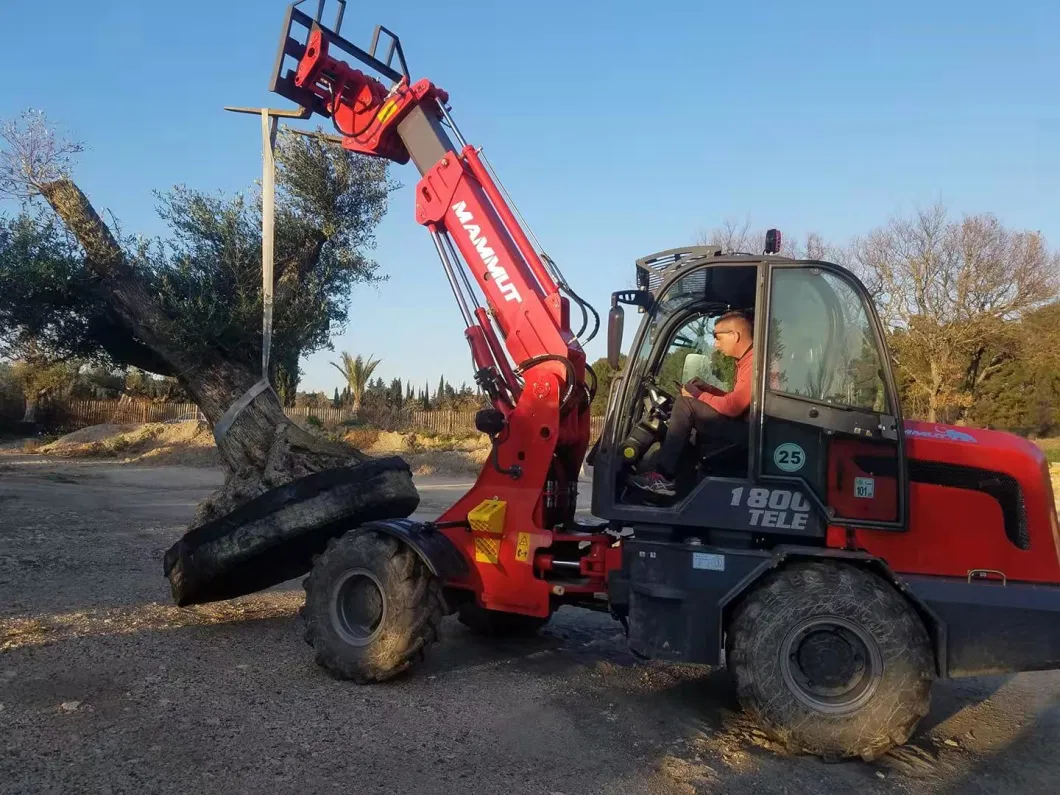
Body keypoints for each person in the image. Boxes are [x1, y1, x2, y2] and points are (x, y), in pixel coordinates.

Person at [629, 310, 754, 497]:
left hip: (749, 434)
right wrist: (707, 389)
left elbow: (733, 407)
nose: (716, 344)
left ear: (735, 335)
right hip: (745, 428)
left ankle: (664, 478)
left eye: (718, 337)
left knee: (685, 404)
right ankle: (686, 480)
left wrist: (695, 394)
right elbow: (738, 399)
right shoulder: (745, 361)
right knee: (688, 409)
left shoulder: (754, 363)